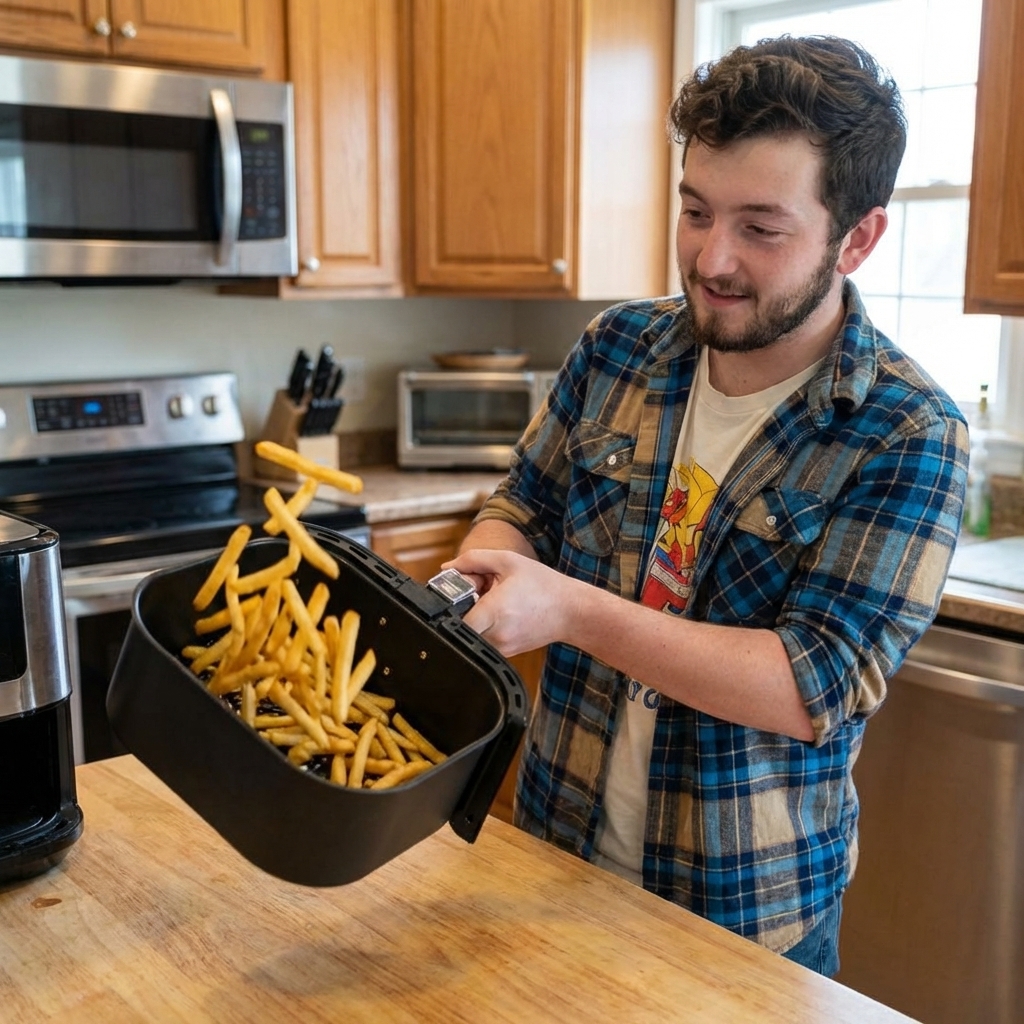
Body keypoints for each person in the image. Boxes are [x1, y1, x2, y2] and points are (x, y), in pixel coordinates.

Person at [445, 35, 970, 976]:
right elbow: (524, 501)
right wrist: (479, 570)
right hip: (554, 857)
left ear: (857, 237)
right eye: (695, 212)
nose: (711, 258)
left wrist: (567, 608)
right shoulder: (619, 347)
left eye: (762, 228)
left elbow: (814, 685)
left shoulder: (908, 430)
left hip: (747, 915)